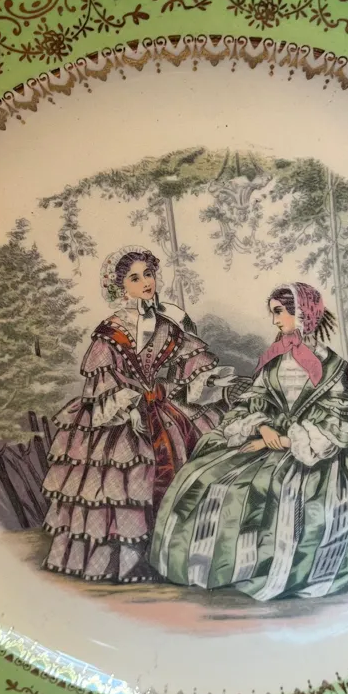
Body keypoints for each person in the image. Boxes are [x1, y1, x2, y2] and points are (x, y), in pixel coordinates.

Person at [150, 282, 348, 601]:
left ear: (302, 313)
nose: (274, 320)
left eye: (279, 312)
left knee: (283, 491)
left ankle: (276, 567)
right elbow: (253, 399)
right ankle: (213, 566)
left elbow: (338, 419)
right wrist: (262, 429)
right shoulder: (273, 358)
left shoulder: (330, 365)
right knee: (201, 476)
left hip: (316, 448)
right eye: (272, 313)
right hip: (268, 435)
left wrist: (286, 441)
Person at [41, 245, 233, 583]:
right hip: (121, 417)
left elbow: (186, 368)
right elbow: (105, 385)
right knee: (124, 482)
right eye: (134, 277)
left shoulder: (168, 323)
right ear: (120, 287)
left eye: (148, 274)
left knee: (189, 461)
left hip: (163, 410)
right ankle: (127, 562)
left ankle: (176, 554)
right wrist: (130, 406)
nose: (146, 281)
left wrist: (206, 381)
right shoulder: (110, 331)